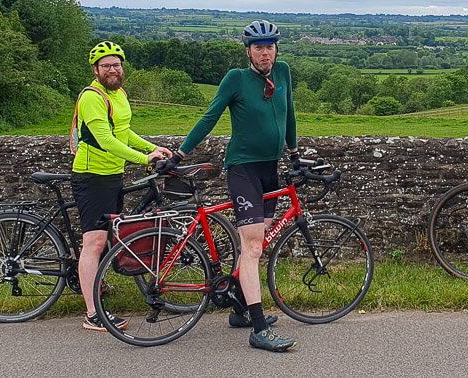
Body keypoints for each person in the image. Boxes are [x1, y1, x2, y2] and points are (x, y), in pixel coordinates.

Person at [158, 20, 299, 352]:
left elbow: (289, 112)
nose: (265, 53)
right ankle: (259, 328)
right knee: (251, 248)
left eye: (270, 47)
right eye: (259, 47)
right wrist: (180, 154)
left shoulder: (283, 73)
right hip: (243, 169)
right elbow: (210, 117)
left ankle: (239, 309)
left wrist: (294, 154)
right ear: (248, 50)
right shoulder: (236, 79)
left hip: (270, 169)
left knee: (256, 245)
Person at [72, 41, 171, 331]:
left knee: (104, 239)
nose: (112, 70)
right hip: (92, 176)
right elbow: (106, 140)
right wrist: (145, 159)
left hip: (112, 175)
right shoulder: (92, 97)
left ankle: (95, 286)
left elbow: (124, 132)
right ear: (95, 70)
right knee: (94, 243)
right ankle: (92, 315)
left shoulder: (119, 94)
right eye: (106, 66)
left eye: (116, 65)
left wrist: (154, 147)